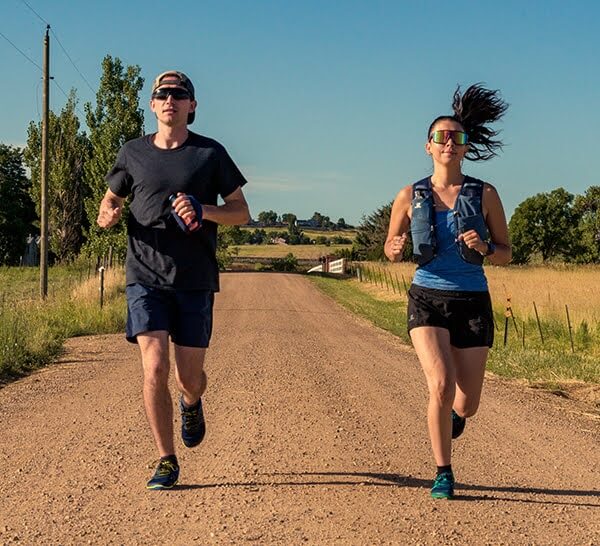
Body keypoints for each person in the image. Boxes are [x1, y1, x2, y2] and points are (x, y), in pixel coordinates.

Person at [97, 70, 250, 490]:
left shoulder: (210, 155)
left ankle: (192, 400)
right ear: (152, 104)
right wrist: (106, 213)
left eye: (179, 94)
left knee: (187, 377)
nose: (170, 99)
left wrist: (204, 210)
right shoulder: (133, 153)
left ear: (192, 105)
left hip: (194, 278)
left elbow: (241, 212)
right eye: (162, 94)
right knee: (154, 367)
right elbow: (112, 197)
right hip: (144, 275)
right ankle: (166, 459)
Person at [384, 84, 511, 500]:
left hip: (473, 299)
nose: (449, 144)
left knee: (467, 403)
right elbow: (390, 248)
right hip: (427, 297)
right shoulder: (409, 195)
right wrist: (395, 249)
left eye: (457, 138)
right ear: (428, 146)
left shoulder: (485, 194)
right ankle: (443, 472)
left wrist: (485, 248)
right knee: (440, 384)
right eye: (441, 137)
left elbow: (506, 253)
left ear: (465, 147)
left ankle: (453, 419)